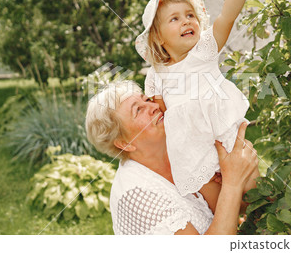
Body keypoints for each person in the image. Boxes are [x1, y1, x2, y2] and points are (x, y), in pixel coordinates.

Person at [134, 0, 271, 206]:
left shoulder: (204, 51)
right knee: (223, 209)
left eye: (190, 15)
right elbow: (160, 116)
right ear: (159, 38)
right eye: (175, 18)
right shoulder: (156, 74)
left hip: (227, 142)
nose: (186, 20)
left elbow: (228, 15)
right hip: (192, 156)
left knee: (256, 195)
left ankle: (265, 219)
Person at [85, 81, 259, 234]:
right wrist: (233, 181)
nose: (154, 107)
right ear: (124, 143)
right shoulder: (135, 196)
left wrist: (243, 163)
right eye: (139, 110)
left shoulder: (180, 151)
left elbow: (241, 207)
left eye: (147, 100)